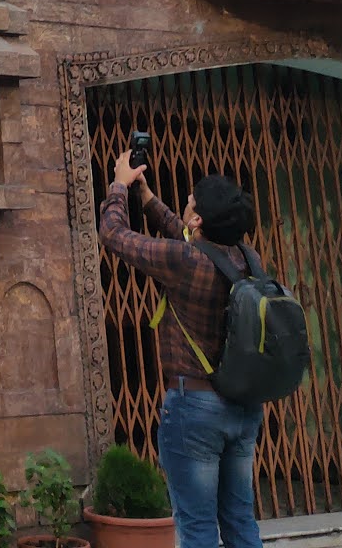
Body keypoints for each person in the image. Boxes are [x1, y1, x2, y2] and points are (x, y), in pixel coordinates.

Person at [99, 152, 264, 548]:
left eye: (190, 200)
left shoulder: (185, 261)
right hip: (243, 407)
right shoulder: (247, 258)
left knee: (197, 527)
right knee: (240, 518)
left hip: (195, 409)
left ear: (199, 221)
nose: (187, 202)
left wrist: (119, 186)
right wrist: (147, 196)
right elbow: (187, 235)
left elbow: (114, 236)